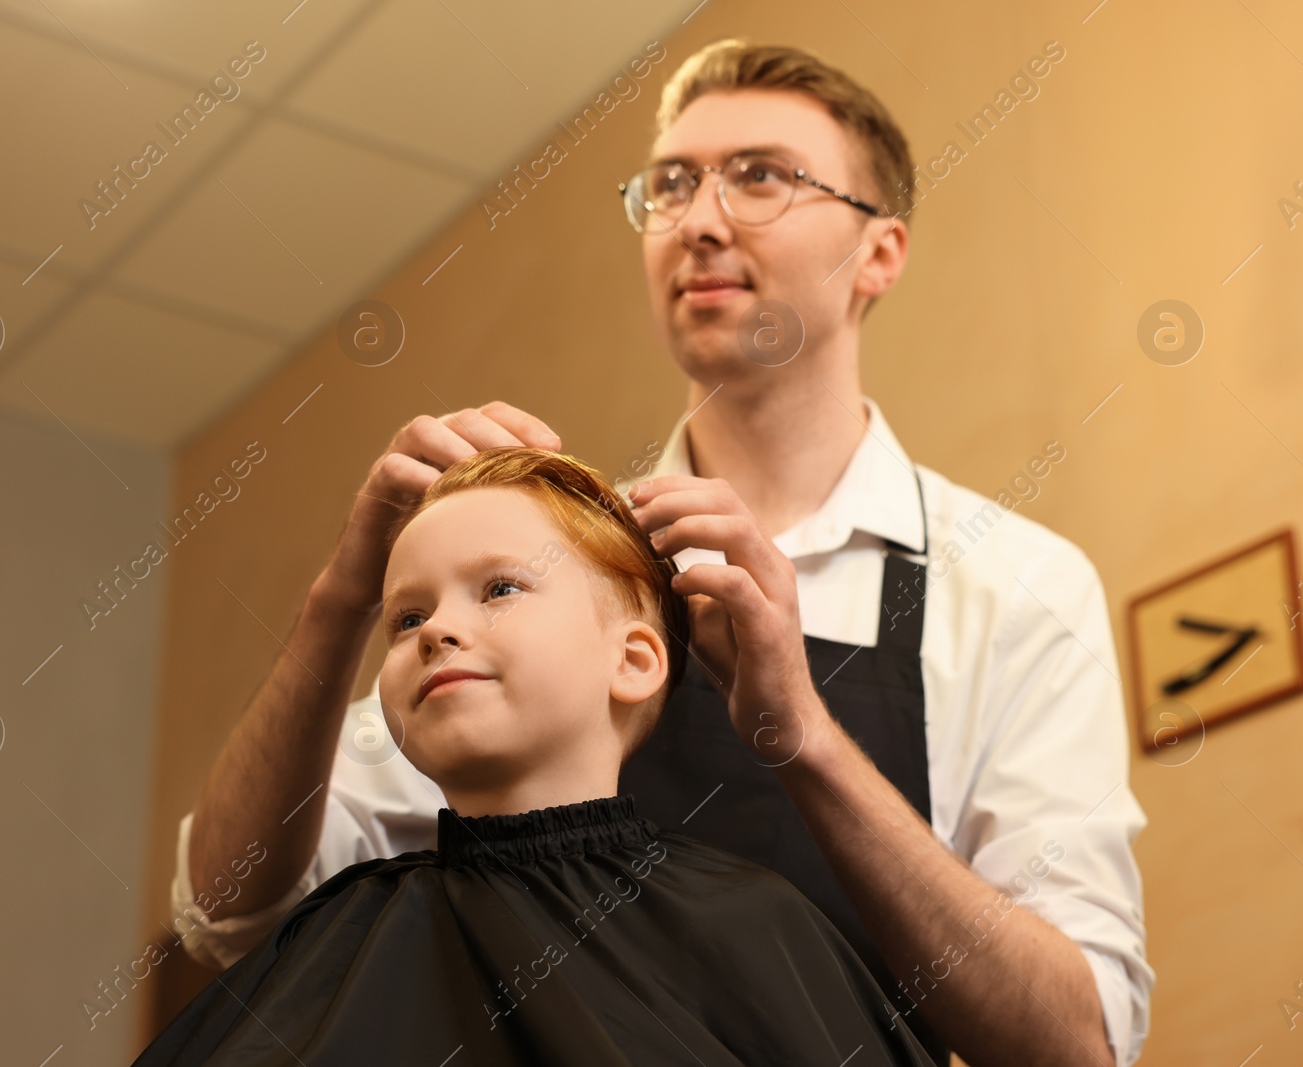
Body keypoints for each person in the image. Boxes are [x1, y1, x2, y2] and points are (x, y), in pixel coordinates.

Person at [173, 38, 1152, 1067]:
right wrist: (342, 598)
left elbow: (1074, 1044)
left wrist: (803, 738)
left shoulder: (1012, 585)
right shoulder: (545, 565)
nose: (699, 218)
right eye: (671, 184)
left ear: (879, 253)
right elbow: (227, 911)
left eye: (761, 177)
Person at [138, 448, 935, 1066]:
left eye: (498, 590)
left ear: (634, 660)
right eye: (407, 615)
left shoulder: (757, 926)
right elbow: (216, 913)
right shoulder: (344, 936)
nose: (436, 631)